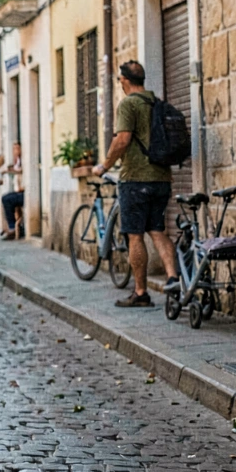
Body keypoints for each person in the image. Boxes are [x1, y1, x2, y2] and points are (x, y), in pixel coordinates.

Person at [93, 60, 180, 307]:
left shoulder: (129, 104)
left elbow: (122, 140)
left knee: (135, 236)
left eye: (119, 80)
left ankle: (141, 292)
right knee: (158, 231)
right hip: (161, 178)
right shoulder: (156, 102)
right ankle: (172, 277)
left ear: (124, 80)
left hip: (135, 179)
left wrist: (104, 166)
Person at [0, 142, 25, 239]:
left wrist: (7, 171)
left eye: (17, 148)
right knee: (5, 198)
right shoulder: (17, 161)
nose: (15, 151)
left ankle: (12, 227)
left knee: (7, 199)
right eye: (14, 149)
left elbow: (20, 171)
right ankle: (11, 226)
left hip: (24, 192)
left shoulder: (23, 160)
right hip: (18, 191)